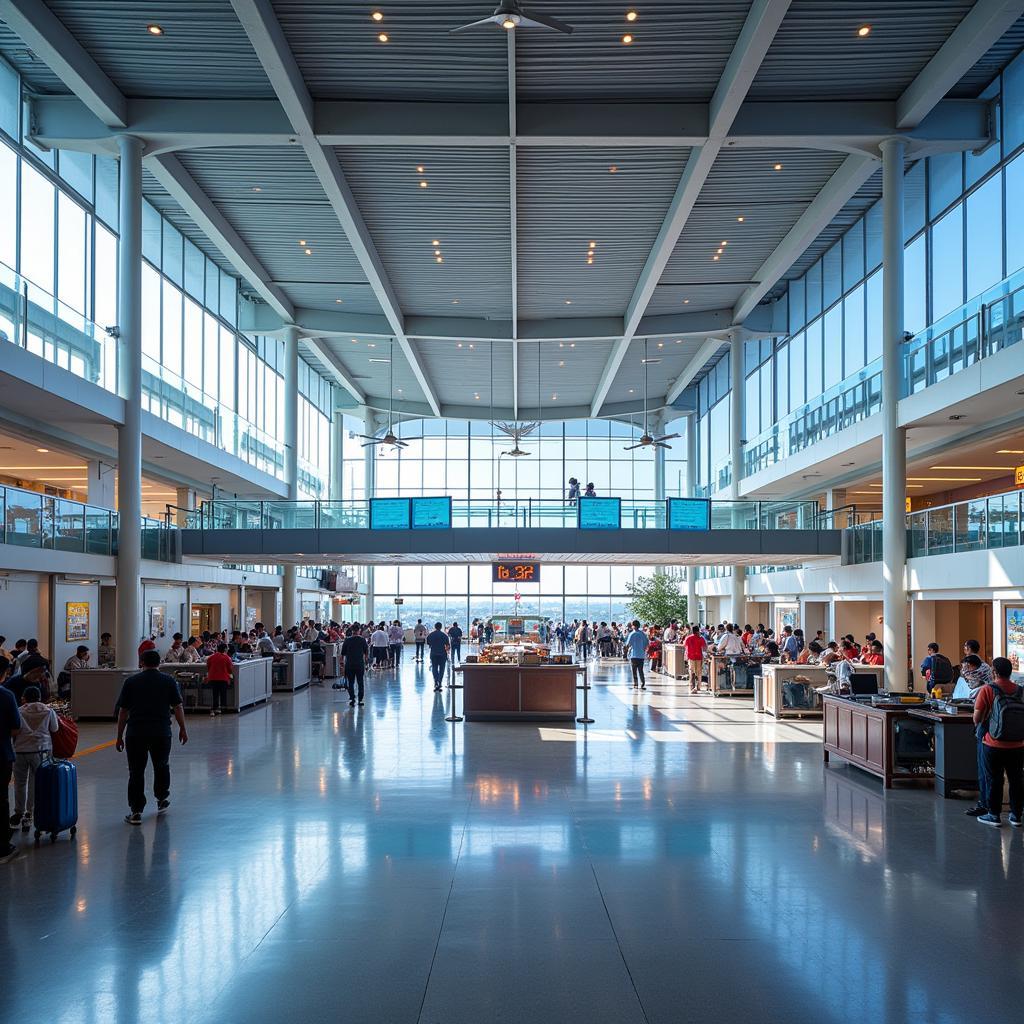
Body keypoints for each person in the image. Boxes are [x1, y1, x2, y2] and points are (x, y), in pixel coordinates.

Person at [114, 649, 188, 825]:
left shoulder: (131, 682)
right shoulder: (169, 681)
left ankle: (136, 811)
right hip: (161, 732)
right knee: (161, 766)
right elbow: (178, 707)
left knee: (136, 771)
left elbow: (123, 711)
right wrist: (183, 729)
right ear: (159, 663)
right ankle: (162, 797)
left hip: (136, 733)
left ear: (141, 662)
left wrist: (119, 736)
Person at [973, 657, 1024, 827]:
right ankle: (1016, 815)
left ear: (994, 672)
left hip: (993, 743)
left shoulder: (988, 690)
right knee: (1016, 778)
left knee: (994, 778)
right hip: (1018, 744)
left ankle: (993, 815)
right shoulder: (1020, 690)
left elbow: (977, 718)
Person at [11, 685, 58, 831]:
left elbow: (14, 729)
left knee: (19, 783)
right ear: (39, 697)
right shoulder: (48, 711)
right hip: (40, 751)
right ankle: (29, 814)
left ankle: (18, 811)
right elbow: (54, 728)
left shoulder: (19, 711)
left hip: (20, 751)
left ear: (25, 697)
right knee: (34, 783)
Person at [0, 683, 21, 863]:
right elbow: (16, 728)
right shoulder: (6, 696)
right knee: (1, 799)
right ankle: (3, 847)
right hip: (1, 754)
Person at [337, 626, 369, 706]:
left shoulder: (347, 640)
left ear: (352, 631)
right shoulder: (362, 640)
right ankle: (360, 699)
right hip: (359, 664)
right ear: (359, 631)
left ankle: (352, 698)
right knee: (360, 682)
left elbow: (343, 653)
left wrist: (341, 662)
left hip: (350, 664)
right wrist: (366, 660)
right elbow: (366, 652)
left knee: (350, 682)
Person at [206, 642, 233, 716]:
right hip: (223, 678)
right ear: (224, 649)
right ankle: (223, 708)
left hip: (213, 678)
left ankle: (215, 708)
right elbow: (230, 670)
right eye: (227, 648)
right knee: (223, 693)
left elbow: (208, 667)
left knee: (215, 694)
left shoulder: (211, 657)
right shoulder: (227, 658)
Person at [624, 620, 649, 690]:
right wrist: (643, 648)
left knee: (634, 671)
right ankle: (642, 683)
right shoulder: (643, 634)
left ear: (633, 626)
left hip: (633, 655)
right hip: (641, 655)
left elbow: (628, 644)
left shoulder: (632, 634)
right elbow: (647, 643)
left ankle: (635, 684)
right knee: (641, 670)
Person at [426, 622, 450, 692]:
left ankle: (436, 682)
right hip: (442, 654)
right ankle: (440, 682)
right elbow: (447, 646)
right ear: (441, 627)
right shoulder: (444, 635)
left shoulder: (431, 635)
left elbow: (428, 643)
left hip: (434, 653)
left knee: (434, 668)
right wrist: (447, 653)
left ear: (435, 627)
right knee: (442, 669)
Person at [683, 626, 707, 694]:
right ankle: (698, 686)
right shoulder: (700, 638)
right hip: (698, 657)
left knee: (691, 671)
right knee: (699, 672)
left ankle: (692, 686)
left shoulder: (688, 638)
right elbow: (704, 647)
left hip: (691, 657)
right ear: (697, 631)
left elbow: (684, 645)